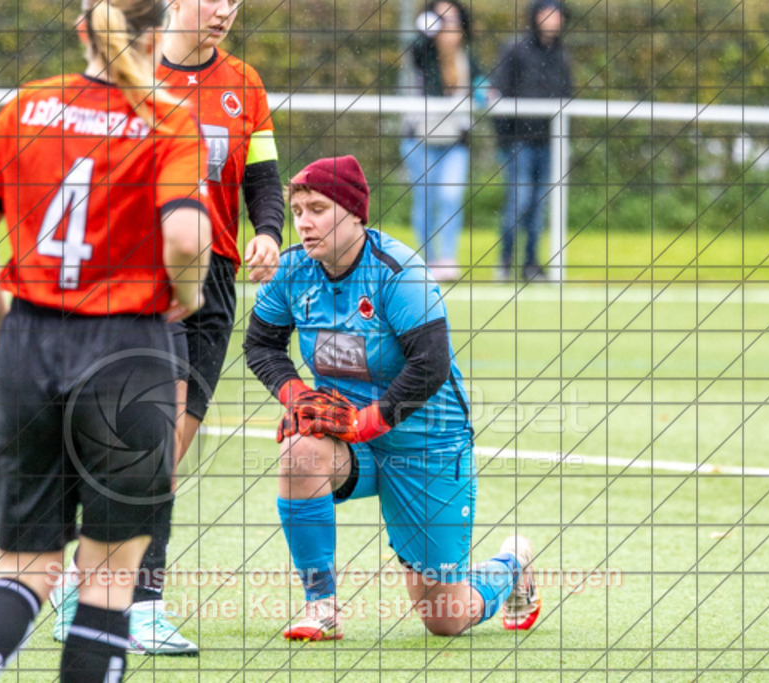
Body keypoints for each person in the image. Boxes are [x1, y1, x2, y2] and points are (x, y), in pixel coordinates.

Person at [0, 0, 212, 679]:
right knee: (106, 580)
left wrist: (3, 326)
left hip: (32, 339)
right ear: (157, 33)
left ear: (84, 30)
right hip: (127, 350)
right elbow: (185, 237)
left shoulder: (27, 106)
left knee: (24, 568)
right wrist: (189, 295)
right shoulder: (169, 121)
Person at [51, 0, 284, 657]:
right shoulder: (132, 73)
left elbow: (262, 179)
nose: (226, 11)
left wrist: (267, 232)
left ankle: (89, 572)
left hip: (215, 283)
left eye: (236, 2)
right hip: (149, 274)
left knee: (167, 446)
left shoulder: (245, 84)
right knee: (155, 439)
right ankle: (139, 602)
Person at [243, 155, 541, 641]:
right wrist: (296, 395)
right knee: (299, 451)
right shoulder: (293, 271)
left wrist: (364, 423)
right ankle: (321, 605)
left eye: (317, 208)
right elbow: (260, 344)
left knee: (444, 619)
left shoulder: (399, 272)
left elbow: (431, 364)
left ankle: (513, 564)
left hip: (427, 444)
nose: (303, 222)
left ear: (355, 213)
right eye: (297, 211)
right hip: (353, 441)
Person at [401, 0, 483, 282]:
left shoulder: (466, 57)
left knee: (450, 197)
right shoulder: (423, 53)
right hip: (420, 140)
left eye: (453, 21)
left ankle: (447, 259)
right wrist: (431, 29)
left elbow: (482, 82)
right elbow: (418, 46)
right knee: (424, 201)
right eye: (441, 21)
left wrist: (484, 91)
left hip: (454, 142)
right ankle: (425, 260)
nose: (448, 27)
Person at [491, 0, 572, 281]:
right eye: (546, 14)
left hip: (549, 143)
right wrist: (504, 139)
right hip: (519, 142)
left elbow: (567, 97)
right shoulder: (515, 50)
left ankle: (530, 264)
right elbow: (498, 94)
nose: (552, 20)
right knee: (519, 200)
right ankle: (505, 261)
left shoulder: (561, 56)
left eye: (557, 15)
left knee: (540, 206)